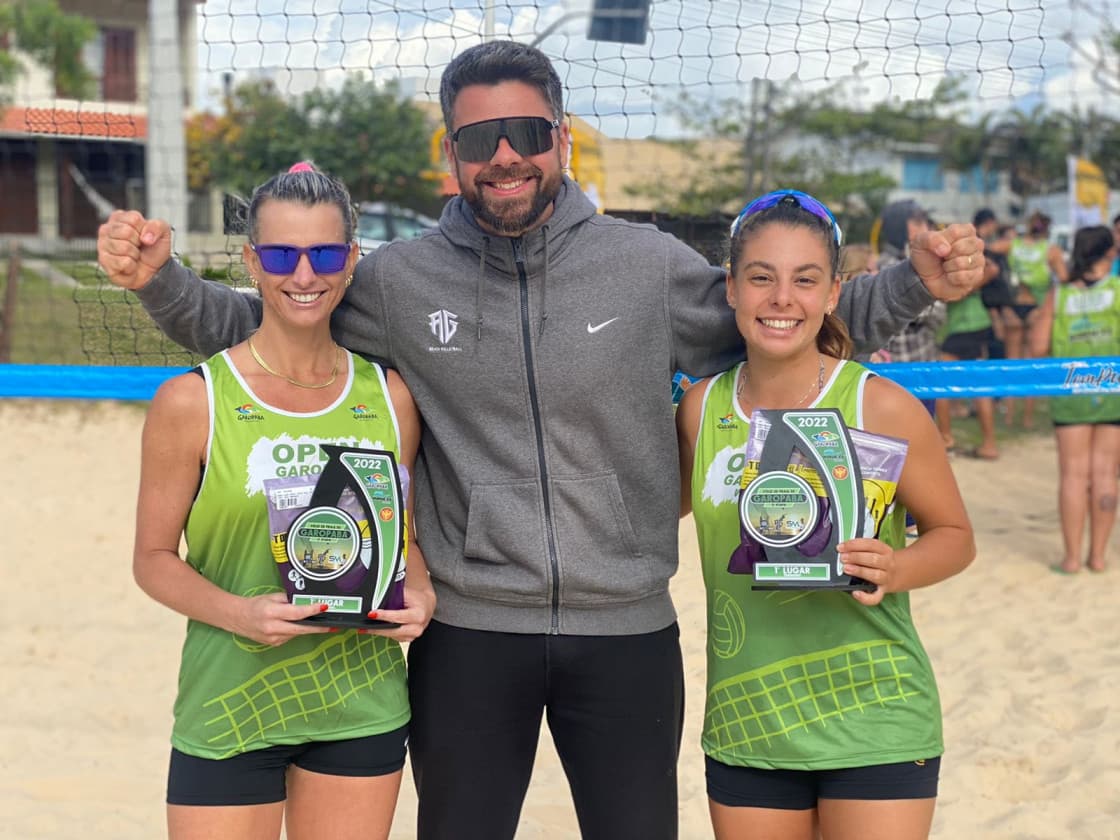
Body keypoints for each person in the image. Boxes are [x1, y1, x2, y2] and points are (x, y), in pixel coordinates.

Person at [96, 40, 983, 840]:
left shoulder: (646, 265)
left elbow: (786, 313)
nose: (505, 155)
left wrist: (916, 283)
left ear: (559, 136)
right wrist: (158, 281)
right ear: (453, 156)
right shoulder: (398, 282)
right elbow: (264, 319)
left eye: (525, 131)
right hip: (472, 632)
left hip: (626, 628)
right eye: (480, 140)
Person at [123, 163, 435, 840]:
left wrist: (422, 588)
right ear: (251, 262)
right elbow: (151, 560)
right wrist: (239, 613)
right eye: (281, 254)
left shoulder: (391, 397)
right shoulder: (192, 401)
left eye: (323, 253)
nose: (304, 274)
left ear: (350, 261)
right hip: (230, 702)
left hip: (360, 704)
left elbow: (399, 534)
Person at [676, 189, 975, 840]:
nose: (782, 299)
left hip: (876, 713)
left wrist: (896, 566)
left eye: (805, 280)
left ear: (834, 293)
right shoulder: (700, 411)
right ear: (730, 289)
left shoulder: (882, 407)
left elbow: (956, 538)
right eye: (761, 278)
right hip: (748, 720)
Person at [1031, 224, 1120, 574]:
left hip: (1070, 390)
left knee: (1072, 475)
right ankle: (1097, 557)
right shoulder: (1117, 289)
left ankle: (1071, 559)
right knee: (1105, 474)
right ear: (1109, 252)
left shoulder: (1060, 294)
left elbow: (1037, 347)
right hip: (1112, 391)